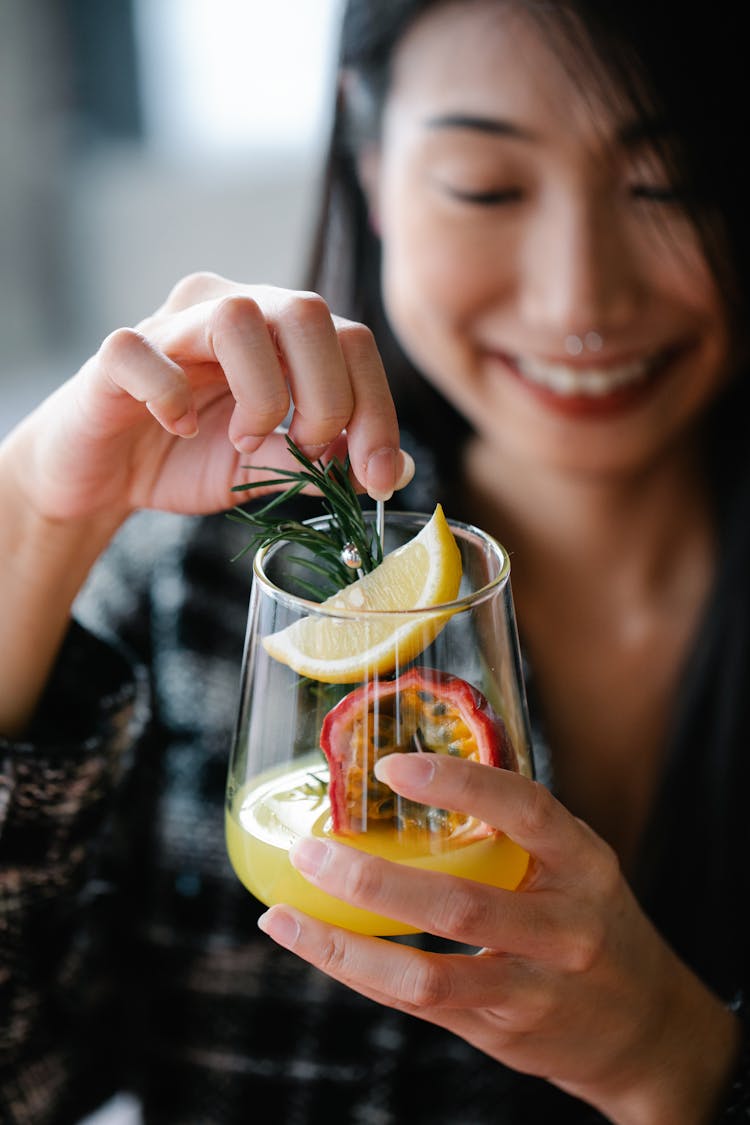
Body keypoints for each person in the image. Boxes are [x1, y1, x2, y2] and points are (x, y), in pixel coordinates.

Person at [2, 0, 750, 1121]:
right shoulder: (211, 582)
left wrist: (680, 1061)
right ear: (369, 149)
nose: (577, 299)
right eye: (486, 187)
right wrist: (35, 520)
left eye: (673, 186)